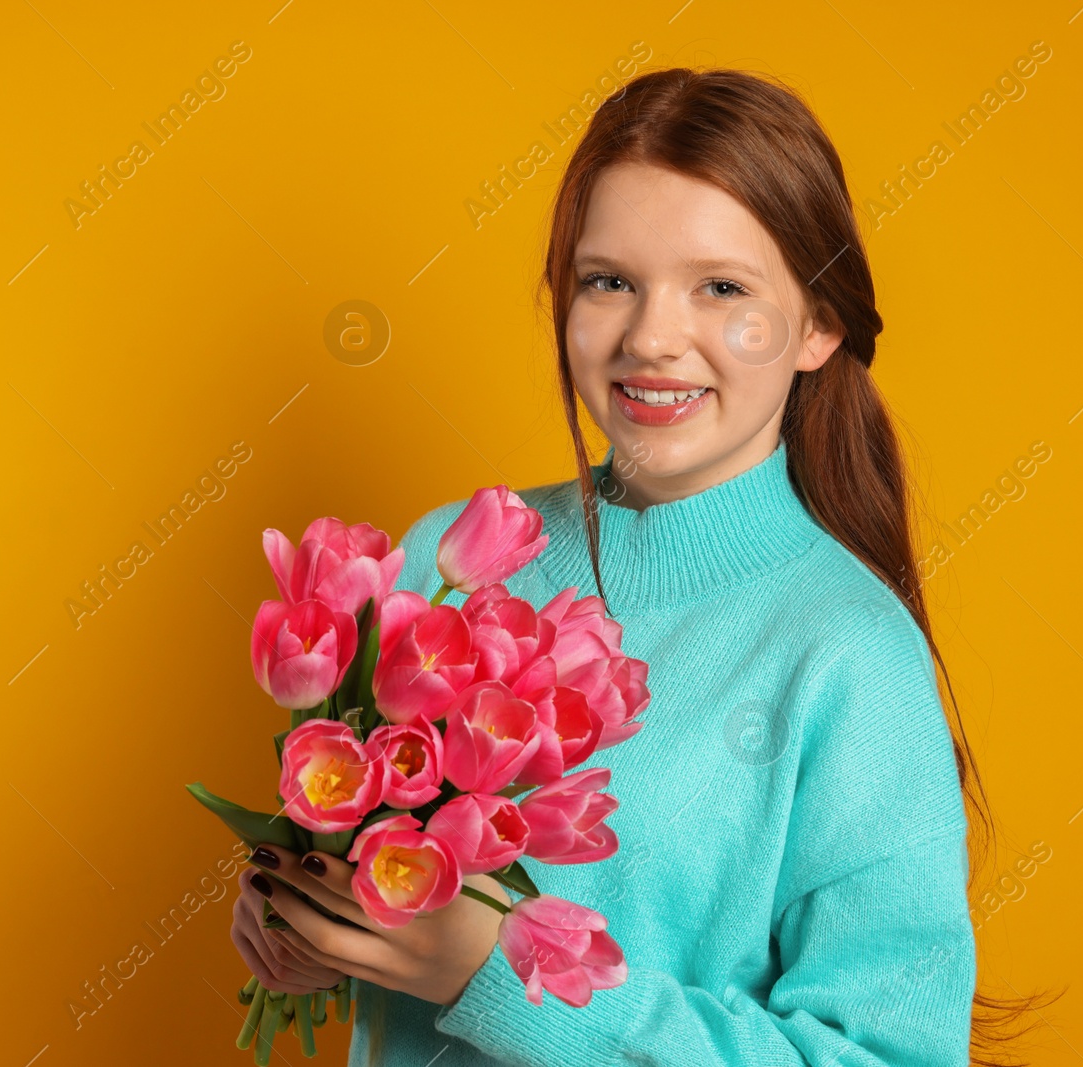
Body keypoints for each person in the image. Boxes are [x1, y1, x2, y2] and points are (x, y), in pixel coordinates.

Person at [230, 66, 1019, 1066]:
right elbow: (370, 897)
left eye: (721, 287)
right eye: (609, 281)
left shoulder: (849, 656)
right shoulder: (446, 560)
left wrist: (496, 976)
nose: (651, 337)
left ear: (818, 325)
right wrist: (296, 930)